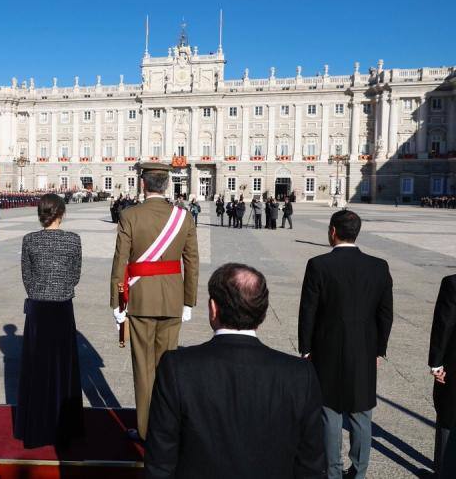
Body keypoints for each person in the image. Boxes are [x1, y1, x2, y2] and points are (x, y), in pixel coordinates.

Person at [146, 263, 324, 478]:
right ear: (263, 313)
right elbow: (311, 465)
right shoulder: (299, 375)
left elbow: (160, 461)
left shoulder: (177, 368)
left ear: (213, 308)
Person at [299, 210, 393, 479]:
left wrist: (306, 348)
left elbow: (308, 311)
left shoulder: (318, 265)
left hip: (326, 348)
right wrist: (379, 350)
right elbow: (385, 313)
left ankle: (333, 471)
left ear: (332, 232)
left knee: (329, 412)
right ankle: (359, 472)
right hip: (364, 350)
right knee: (361, 413)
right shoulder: (379, 266)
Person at [109, 162, 199, 442]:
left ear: (143, 184)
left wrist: (118, 302)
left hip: (140, 300)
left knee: (143, 367)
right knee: (167, 369)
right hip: (172, 299)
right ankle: (166, 429)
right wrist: (188, 301)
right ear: (167, 185)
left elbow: (120, 261)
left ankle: (146, 430)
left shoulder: (129, 216)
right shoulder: (183, 217)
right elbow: (192, 262)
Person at [15, 193, 83, 448]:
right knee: (62, 365)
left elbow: (26, 275)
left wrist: (39, 291)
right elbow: (75, 275)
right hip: (62, 306)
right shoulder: (73, 240)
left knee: (38, 365)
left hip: (38, 308)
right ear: (61, 213)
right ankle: (64, 426)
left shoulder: (30, 240)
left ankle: (36, 426)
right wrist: (61, 288)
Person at [429, 274, 456, 477]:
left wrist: (436, 363)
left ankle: (444, 472)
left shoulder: (452, 283)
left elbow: (444, 324)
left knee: (448, 417)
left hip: (453, 366)